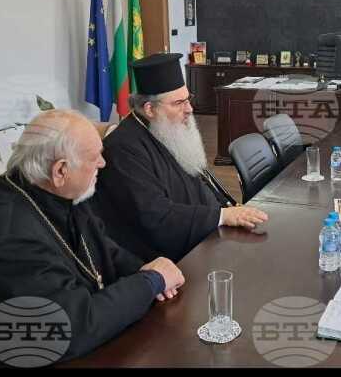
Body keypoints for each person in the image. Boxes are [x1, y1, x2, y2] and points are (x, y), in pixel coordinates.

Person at [0, 110, 185, 367]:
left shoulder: (54, 191)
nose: (103, 163)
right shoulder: (7, 236)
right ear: (60, 170)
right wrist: (150, 282)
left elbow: (104, 250)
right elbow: (66, 329)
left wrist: (146, 270)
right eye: (95, 157)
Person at [92, 53, 268, 263]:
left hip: (205, 235)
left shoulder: (166, 130)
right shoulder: (122, 149)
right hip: (165, 259)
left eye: (188, 99)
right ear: (150, 109)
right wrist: (221, 216)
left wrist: (228, 209)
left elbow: (199, 182)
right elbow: (154, 216)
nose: (189, 109)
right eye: (178, 103)